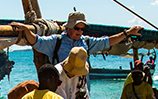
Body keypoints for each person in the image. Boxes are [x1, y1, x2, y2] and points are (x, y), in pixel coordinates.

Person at [10, 11, 143, 65]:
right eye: (76, 28)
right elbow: (36, 41)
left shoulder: (86, 42)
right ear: (68, 28)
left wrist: (127, 33)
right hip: (61, 92)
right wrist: (27, 29)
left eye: (81, 28)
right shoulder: (56, 42)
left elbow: (107, 41)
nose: (79, 31)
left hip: (82, 93)